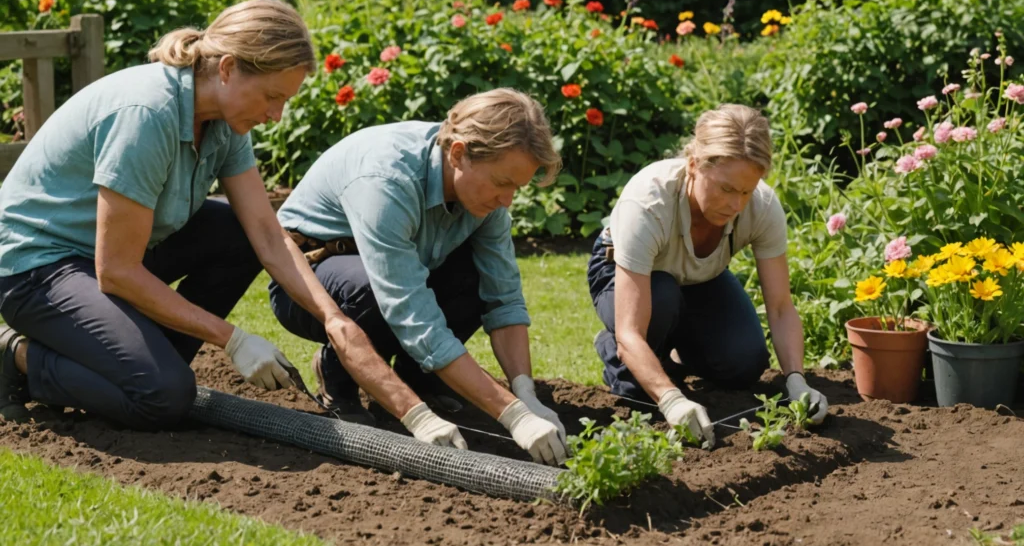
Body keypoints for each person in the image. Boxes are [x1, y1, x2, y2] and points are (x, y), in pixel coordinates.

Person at [0, 0, 462, 449]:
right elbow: (116, 270)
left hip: (113, 253)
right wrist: (233, 339)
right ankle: (16, 357)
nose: (276, 114)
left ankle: (135, 357)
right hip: (38, 267)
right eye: (272, 96)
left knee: (236, 234)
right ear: (226, 69)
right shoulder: (147, 115)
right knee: (161, 397)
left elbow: (266, 232)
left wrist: (334, 319)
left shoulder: (223, 120)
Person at [270, 88, 569, 465]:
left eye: (517, 187)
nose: (507, 200)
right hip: (311, 284)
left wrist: (526, 395)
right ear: (458, 153)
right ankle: (337, 378)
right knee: (367, 291)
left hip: (397, 276)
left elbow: (502, 296)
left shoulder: (484, 194)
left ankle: (422, 379)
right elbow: (410, 312)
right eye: (502, 182)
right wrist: (511, 416)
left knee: (473, 274)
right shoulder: (387, 180)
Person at [586, 104, 829, 447]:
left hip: (701, 278)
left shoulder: (761, 206)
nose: (736, 204)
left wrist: (796, 381)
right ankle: (612, 350)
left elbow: (780, 307)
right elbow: (631, 331)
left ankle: (671, 353)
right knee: (640, 383)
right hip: (626, 274)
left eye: (746, 191)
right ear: (694, 165)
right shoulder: (648, 203)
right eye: (727, 189)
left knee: (744, 363)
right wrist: (670, 399)